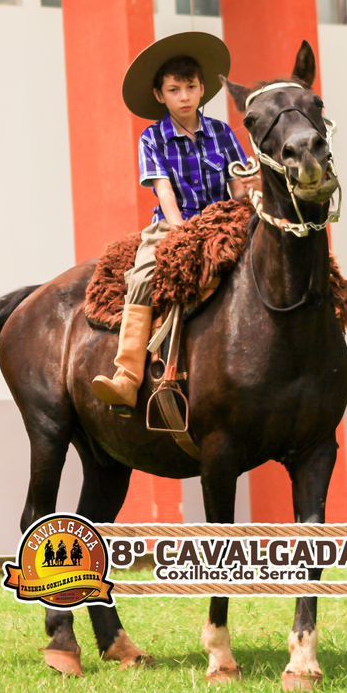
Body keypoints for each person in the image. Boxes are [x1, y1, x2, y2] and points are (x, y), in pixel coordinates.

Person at [92, 32, 251, 410]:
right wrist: (181, 230)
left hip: (223, 220)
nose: (184, 97)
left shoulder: (222, 133)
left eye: (191, 87)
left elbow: (238, 188)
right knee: (142, 275)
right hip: (173, 224)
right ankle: (128, 376)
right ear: (159, 95)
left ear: (202, 89)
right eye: (174, 90)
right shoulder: (152, 138)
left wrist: (250, 195)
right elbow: (164, 190)